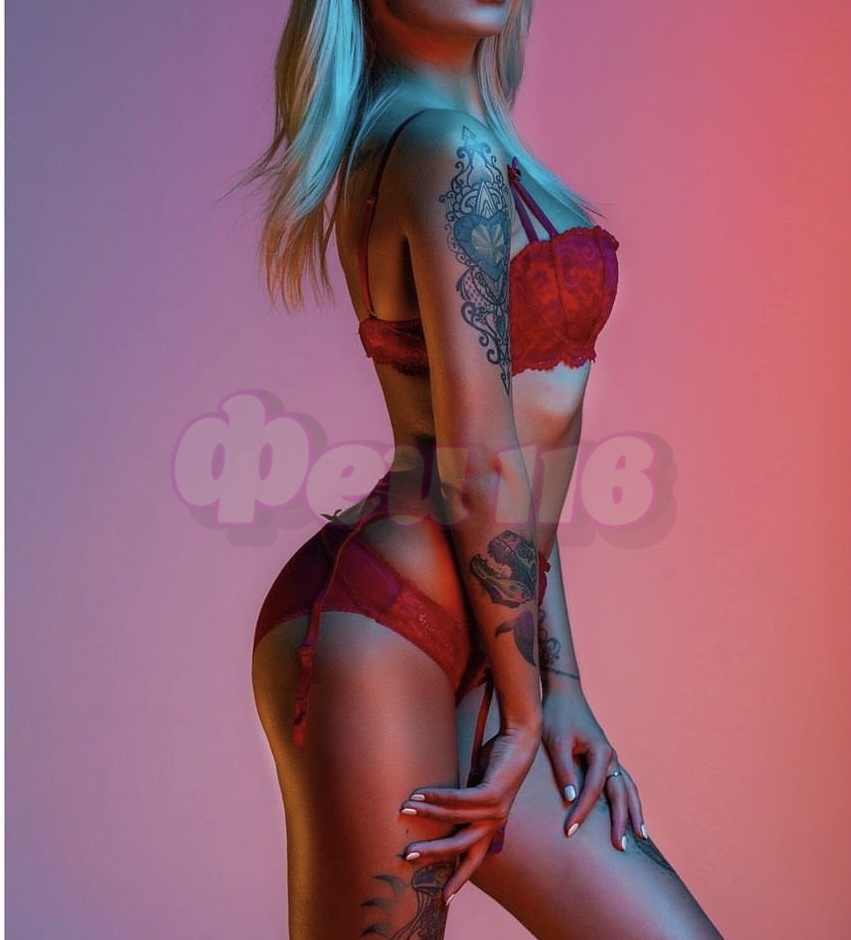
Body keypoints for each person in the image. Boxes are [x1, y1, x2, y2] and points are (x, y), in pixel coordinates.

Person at [245, 1, 724, 937]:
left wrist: (559, 687)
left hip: (494, 635)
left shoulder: (471, 149)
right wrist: (524, 708)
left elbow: (523, 463)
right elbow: (479, 464)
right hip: (379, 635)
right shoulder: (440, 150)